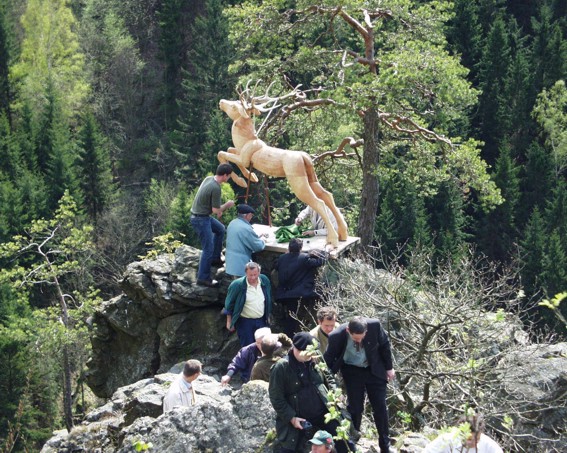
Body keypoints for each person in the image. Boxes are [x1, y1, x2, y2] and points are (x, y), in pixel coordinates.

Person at [269, 332, 355, 453]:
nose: (312, 356)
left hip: (324, 412)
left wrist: (335, 391)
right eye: (308, 354)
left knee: (346, 442)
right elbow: (276, 397)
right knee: (289, 449)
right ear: (297, 349)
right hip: (298, 417)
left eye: (313, 353)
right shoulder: (281, 367)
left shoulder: (316, 356)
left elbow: (328, 375)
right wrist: (292, 418)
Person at [324, 317, 396, 453]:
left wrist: (389, 368)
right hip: (352, 371)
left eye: (361, 337)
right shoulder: (336, 336)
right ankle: (352, 443)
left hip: (374, 369)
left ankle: (385, 445)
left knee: (380, 407)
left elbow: (385, 345)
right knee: (355, 408)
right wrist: (326, 381)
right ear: (348, 331)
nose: (359, 341)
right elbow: (328, 359)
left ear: (366, 331)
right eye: (355, 338)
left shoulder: (374, 326)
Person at [190, 163, 235, 287]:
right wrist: (227, 205)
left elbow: (210, 204)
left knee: (220, 229)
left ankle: (215, 259)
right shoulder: (216, 187)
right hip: (200, 219)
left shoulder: (208, 179)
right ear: (225, 175)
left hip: (201, 215)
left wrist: (217, 209)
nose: (229, 178)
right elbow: (216, 210)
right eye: (229, 176)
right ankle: (203, 278)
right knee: (207, 248)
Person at [274, 238, 328, 336]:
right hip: (301, 294)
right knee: (296, 319)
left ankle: (287, 338)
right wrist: (325, 252)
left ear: (289, 248)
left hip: (284, 294)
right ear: (301, 248)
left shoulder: (282, 258)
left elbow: (277, 265)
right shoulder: (305, 258)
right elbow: (320, 261)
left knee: (290, 319)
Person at [223, 262, 273, 346]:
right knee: (248, 347)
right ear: (246, 273)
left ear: (259, 273)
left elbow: (268, 298)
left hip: (261, 320)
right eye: (250, 275)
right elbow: (229, 304)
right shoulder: (237, 285)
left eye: (255, 274)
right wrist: (229, 322)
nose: (253, 277)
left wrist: (268, 315)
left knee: (264, 346)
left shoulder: (264, 280)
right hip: (245, 322)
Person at [423, 413, 503, 453]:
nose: (473, 443)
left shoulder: (489, 446)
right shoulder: (447, 440)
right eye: (469, 439)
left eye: (477, 439)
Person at [225, 204, 266, 277]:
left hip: (230, 264)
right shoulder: (246, 228)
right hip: (240, 266)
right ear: (248, 215)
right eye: (251, 216)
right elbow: (258, 246)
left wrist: (256, 236)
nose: (251, 218)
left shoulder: (232, 223)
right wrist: (263, 240)